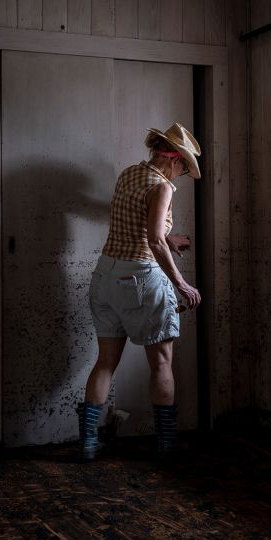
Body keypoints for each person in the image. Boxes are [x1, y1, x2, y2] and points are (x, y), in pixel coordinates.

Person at [77, 123, 202, 459]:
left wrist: (167, 239)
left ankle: (88, 443)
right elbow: (153, 239)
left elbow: (135, 224)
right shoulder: (162, 186)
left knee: (105, 361)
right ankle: (166, 445)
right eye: (183, 169)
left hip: (105, 275)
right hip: (139, 277)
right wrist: (181, 284)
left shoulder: (130, 174)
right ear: (173, 159)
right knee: (161, 363)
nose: (181, 176)